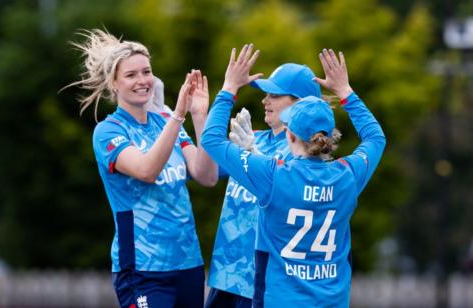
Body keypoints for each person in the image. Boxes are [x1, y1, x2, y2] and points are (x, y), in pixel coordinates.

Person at [201, 45, 386, 307]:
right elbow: (375, 138)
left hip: (279, 298)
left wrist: (228, 90)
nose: (266, 99)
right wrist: (346, 92)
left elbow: (211, 140)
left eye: (274, 95)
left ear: (289, 133)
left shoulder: (274, 176)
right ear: (329, 138)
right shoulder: (347, 175)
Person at [67, 29, 217, 308]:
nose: (142, 81)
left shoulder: (164, 120)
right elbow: (147, 170)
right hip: (142, 269)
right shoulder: (108, 131)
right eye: (131, 75)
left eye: (146, 72)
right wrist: (178, 115)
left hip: (188, 263)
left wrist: (198, 116)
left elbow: (206, 176)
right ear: (114, 83)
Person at [206, 61, 325, 308]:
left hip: (264, 284)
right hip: (226, 275)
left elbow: (288, 184)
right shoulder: (253, 136)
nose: (265, 100)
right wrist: (198, 114)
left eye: (275, 95)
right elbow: (206, 171)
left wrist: (254, 154)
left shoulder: (306, 151)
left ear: (299, 105)